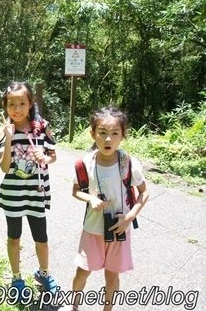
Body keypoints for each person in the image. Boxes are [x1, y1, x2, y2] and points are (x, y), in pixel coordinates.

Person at [68, 106, 149, 311]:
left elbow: (144, 193)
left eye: (114, 134)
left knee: (112, 275)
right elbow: (75, 190)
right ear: (92, 133)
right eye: (102, 133)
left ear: (122, 136)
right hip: (93, 229)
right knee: (82, 272)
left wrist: (129, 218)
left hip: (119, 229)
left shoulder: (128, 163)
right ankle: (74, 306)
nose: (107, 139)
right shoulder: (85, 163)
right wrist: (90, 199)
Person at [0, 81, 58, 301]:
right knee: (14, 238)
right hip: (13, 194)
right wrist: (9, 136)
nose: (17, 108)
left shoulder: (42, 127)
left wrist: (46, 158)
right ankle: (16, 278)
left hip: (36, 193)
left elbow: (53, 156)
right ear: (6, 106)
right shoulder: (4, 132)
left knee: (41, 237)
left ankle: (44, 274)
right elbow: (4, 168)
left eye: (22, 103)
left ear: (31, 103)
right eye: (12, 104)